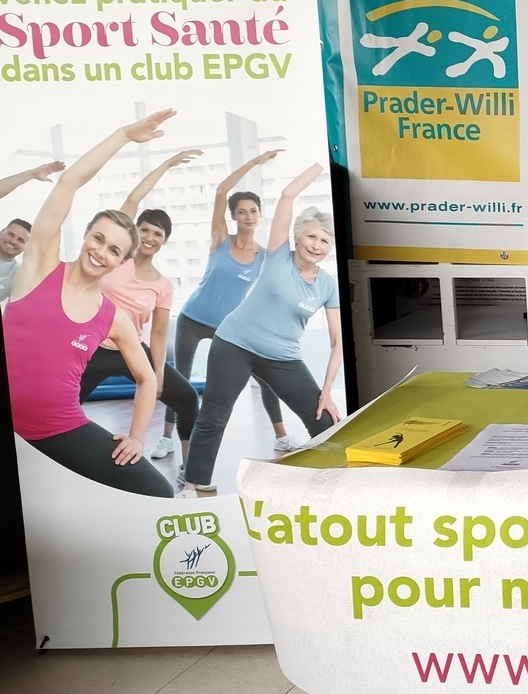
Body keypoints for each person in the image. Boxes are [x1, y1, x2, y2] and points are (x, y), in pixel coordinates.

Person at [0, 112, 175, 497]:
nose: (100, 252)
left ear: (123, 260)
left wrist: (137, 438)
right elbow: (69, 182)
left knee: (158, 493)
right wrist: (123, 135)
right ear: (85, 235)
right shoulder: (40, 266)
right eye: (98, 239)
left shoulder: (112, 317)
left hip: (60, 428)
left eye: (114, 250)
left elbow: (147, 379)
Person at [184, 165, 342, 494]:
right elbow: (287, 195)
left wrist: (326, 391)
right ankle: (194, 484)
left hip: (283, 357)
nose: (316, 245)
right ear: (298, 236)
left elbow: (337, 342)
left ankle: (333, 483)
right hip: (234, 344)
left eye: (325, 241)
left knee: (324, 420)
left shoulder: (328, 286)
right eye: (311, 236)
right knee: (214, 414)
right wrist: (318, 166)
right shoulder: (278, 256)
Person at [161, 150, 298, 458]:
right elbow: (222, 192)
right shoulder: (220, 239)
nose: (247, 216)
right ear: (234, 215)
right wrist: (252, 162)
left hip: (229, 327)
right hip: (192, 320)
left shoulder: (264, 256)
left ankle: (281, 435)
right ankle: (167, 437)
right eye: (241, 211)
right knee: (179, 379)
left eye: (253, 211)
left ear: (259, 215)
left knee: (264, 375)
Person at [77, 152, 206, 474]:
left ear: (164, 242)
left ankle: (190, 469)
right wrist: (166, 164)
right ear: (136, 232)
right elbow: (134, 198)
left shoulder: (163, 285)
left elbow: (160, 333)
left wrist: (158, 374)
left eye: (158, 234)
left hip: (131, 350)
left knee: (188, 398)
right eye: (145, 230)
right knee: (61, 402)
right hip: (92, 348)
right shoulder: (117, 258)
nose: (150, 237)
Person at [0, 161, 65, 300]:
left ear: (26, 247)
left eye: (21, 240)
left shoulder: (18, 275)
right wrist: (31, 174)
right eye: (11, 234)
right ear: (1, 232)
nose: (13, 241)